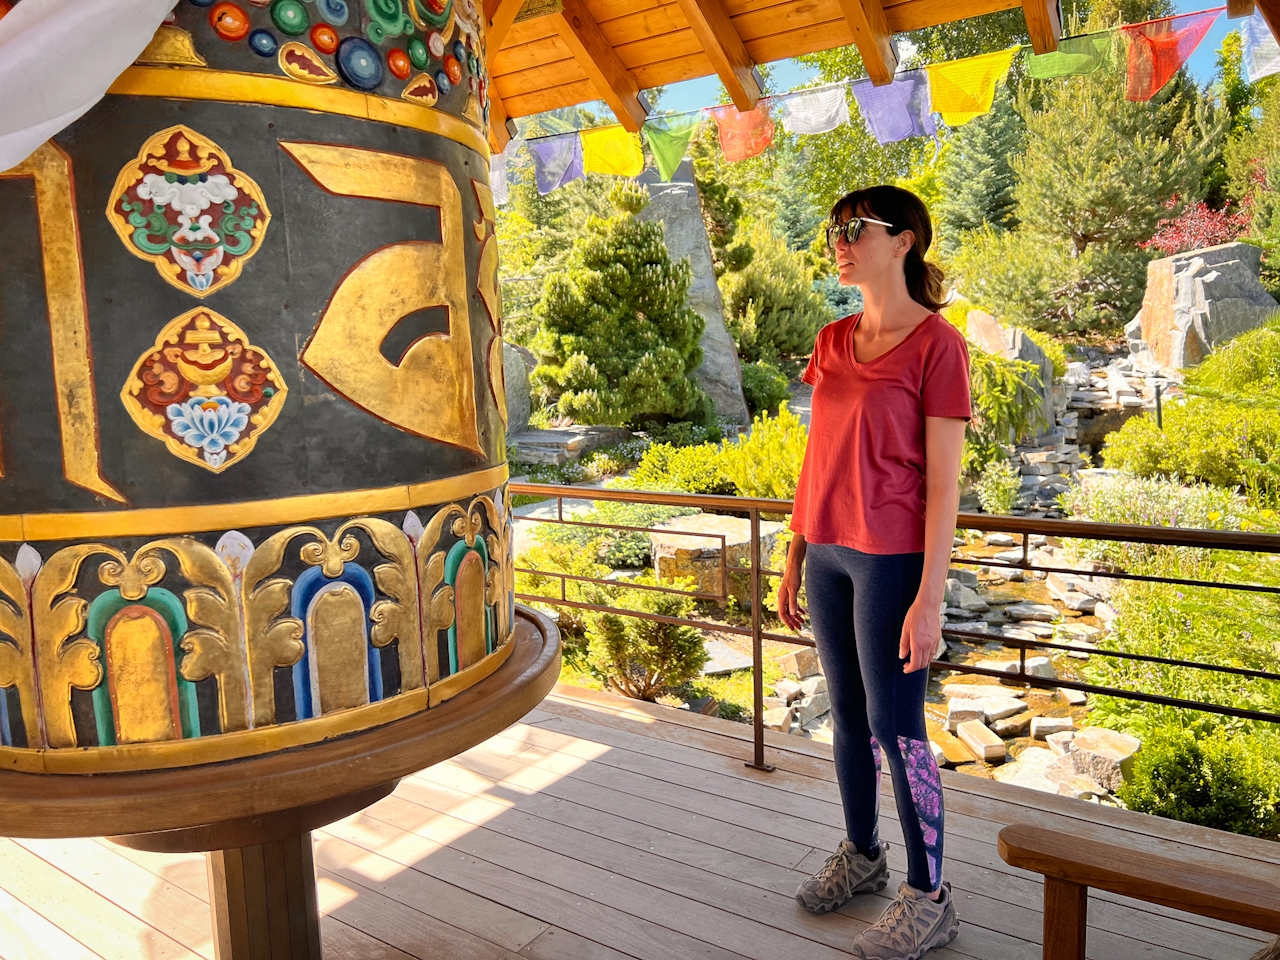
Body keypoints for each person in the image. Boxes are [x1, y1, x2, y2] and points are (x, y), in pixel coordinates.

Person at [776, 185, 970, 960]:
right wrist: (793, 554)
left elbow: (946, 485)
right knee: (847, 721)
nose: (841, 239)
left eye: (856, 227)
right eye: (835, 229)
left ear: (906, 240)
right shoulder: (832, 340)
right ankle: (863, 854)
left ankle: (931, 895)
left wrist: (930, 598)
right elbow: (817, 454)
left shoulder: (937, 347)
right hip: (825, 552)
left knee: (899, 729)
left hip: (892, 561)